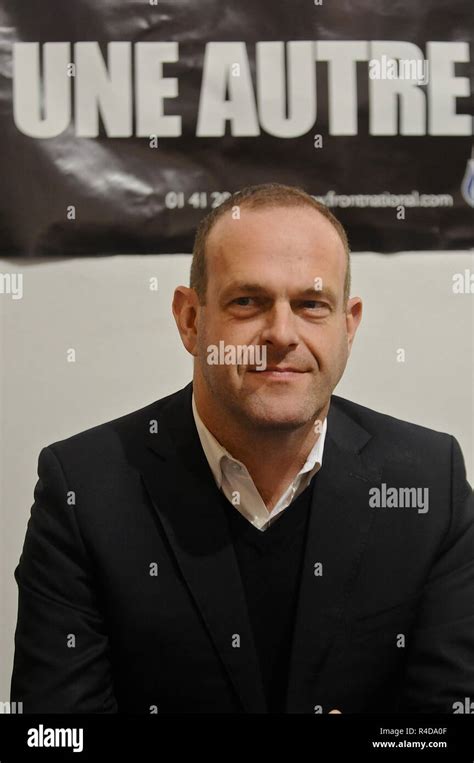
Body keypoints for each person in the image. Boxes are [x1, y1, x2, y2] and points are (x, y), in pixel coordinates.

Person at [10, 183, 474, 714]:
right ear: (190, 320)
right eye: (248, 301)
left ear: (349, 325)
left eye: (311, 304)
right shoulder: (84, 491)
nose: (281, 334)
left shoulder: (428, 485)